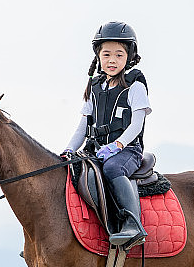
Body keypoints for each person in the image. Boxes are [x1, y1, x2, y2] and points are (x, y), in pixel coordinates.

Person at [62, 21, 151, 247]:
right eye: (107, 54)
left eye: (119, 55)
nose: (112, 60)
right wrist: (69, 150)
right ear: (98, 56)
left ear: (128, 57)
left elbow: (137, 124)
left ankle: (133, 223)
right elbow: (83, 126)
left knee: (112, 168)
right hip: (97, 150)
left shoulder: (135, 86)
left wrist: (118, 145)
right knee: (70, 171)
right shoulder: (94, 87)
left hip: (127, 150)